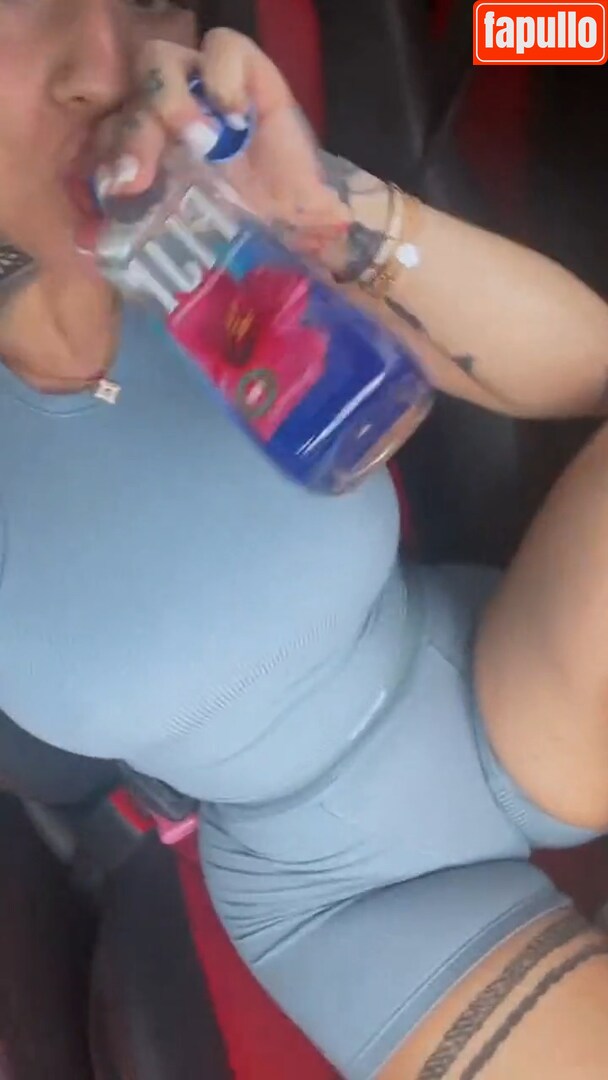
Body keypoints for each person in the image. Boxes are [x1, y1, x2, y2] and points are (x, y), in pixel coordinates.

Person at [1, 5, 608, 1078]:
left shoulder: (211, 240)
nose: (100, 63)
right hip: (333, 898)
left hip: (490, 682)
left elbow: (588, 371)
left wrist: (326, 211)